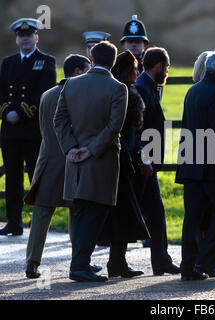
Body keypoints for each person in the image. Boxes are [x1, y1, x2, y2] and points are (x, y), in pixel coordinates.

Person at [23, 54, 104, 278]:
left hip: (48, 160)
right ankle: (80, 261)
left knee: (42, 213)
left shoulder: (47, 95)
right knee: (77, 213)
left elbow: (43, 130)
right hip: (74, 160)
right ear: (77, 71)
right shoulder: (80, 94)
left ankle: (32, 261)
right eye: (87, 70)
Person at [54, 41, 128, 282]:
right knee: (95, 213)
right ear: (114, 61)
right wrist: (91, 150)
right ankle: (79, 266)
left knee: (83, 212)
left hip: (75, 160)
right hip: (101, 160)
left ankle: (81, 262)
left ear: (92, 59)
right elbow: (113, 127)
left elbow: (60, 120)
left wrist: (72, 148)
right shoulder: (118, 88)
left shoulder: (71, 85)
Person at [176, 51, 215, 281]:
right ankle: (204, 259)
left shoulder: (192, 91)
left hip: (191, 164)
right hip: (210, 166)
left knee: (192, 217)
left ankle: (189, 267)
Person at [0, 18, 56, 236]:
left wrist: (21, 112)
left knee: (36, 176)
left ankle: (39, 222)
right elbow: (2, 91)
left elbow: (46, 91)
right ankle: (14, 221)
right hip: (10, 131)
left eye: (29, 35)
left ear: (36, 37)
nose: (25, 39)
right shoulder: (8, 62)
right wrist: (6, 111)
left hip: (33, 129)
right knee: (12, 178)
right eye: (21, 36)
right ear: (17, 39)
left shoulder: (46, 61)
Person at [98, 50, 150, 278]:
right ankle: (116, 263)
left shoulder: (116, 91)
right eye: (135, 69)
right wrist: (137, 157)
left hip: (118, 160)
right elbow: (126, 134)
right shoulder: (126, 94)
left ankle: (117, 262)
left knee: (120, 214)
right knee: (123, 214)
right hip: (123, 162)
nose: (137, 73)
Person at [134, 47, 180, 276]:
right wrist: (144, 160)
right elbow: (138, 129)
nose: (168, 71)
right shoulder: (143, 88)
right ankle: (160, 260)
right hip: (143, 164)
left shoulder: (148, 86)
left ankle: (160, 260)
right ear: (160, 65)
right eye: (168, 66)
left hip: (147, 162)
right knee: (153, 212)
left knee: (151, 212)